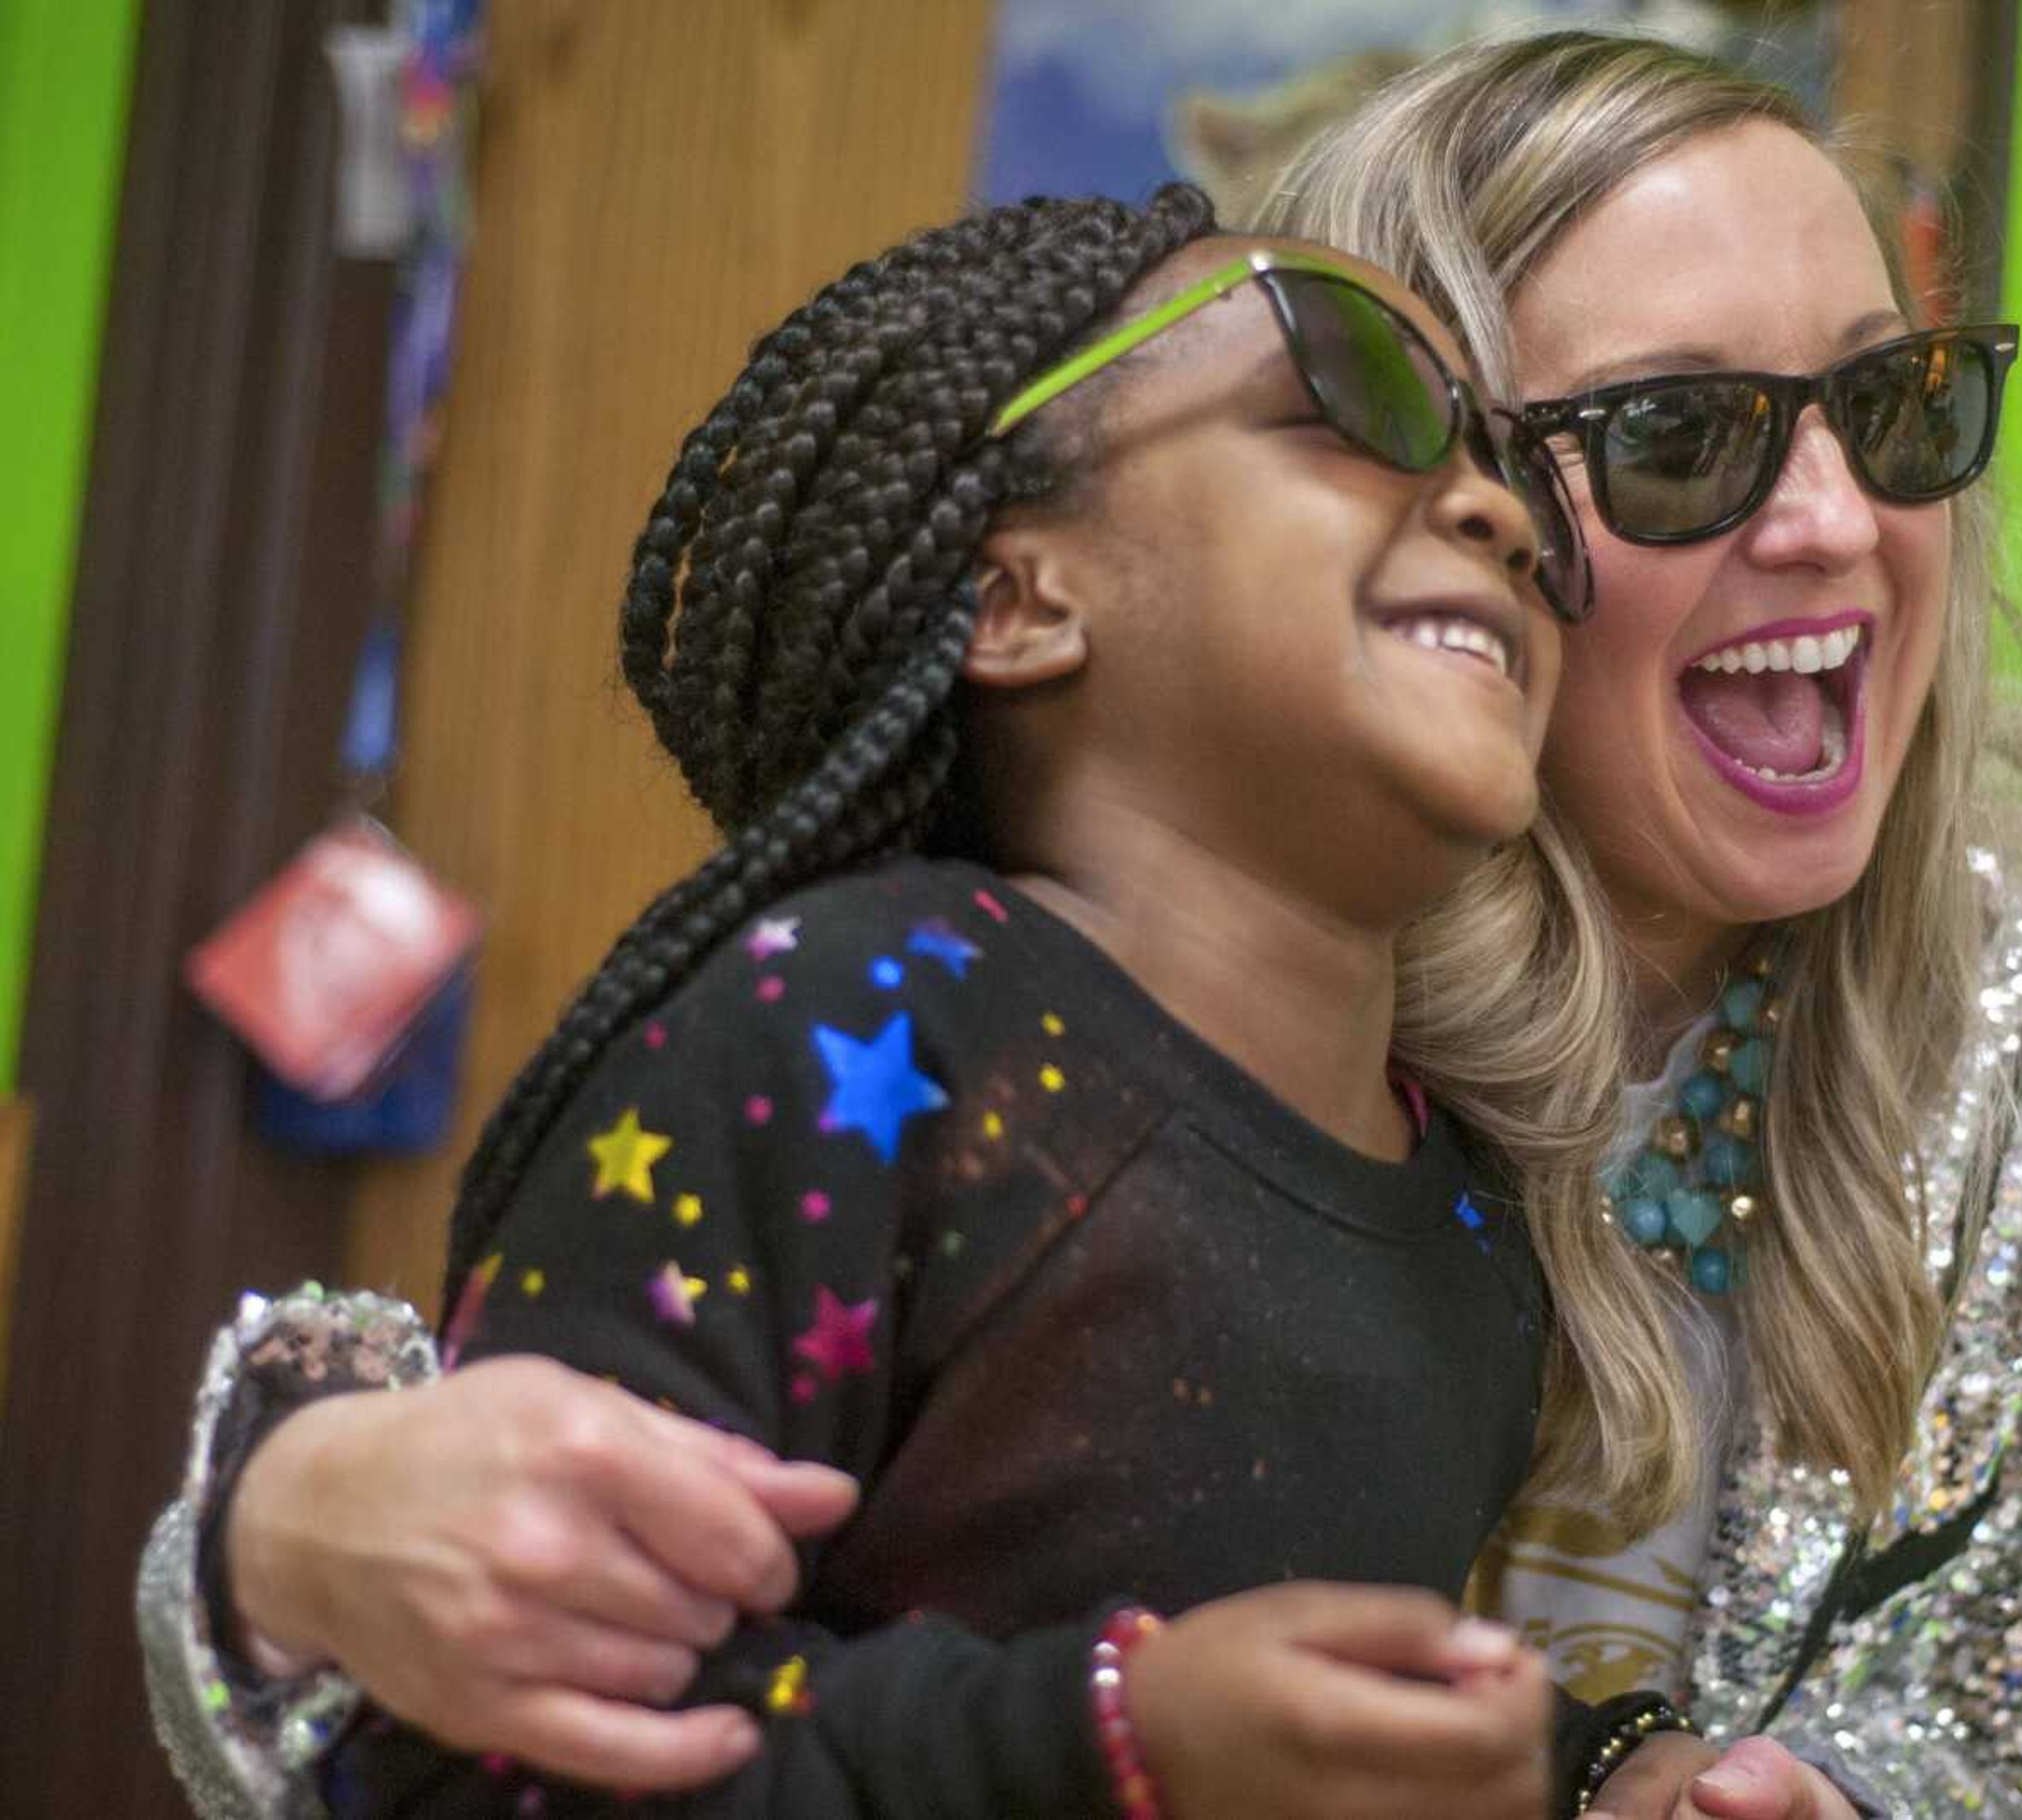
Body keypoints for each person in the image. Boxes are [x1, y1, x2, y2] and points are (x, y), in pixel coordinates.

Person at [141, 31, 2022, 1820]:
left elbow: (1950, 1714)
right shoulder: (1102, 987)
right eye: (1679, 439)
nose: (1831, 523)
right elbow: (503, 1615)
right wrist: (282, 1527)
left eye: (1891, 410)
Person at [159, 181, 1662, 1819]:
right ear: (1020, 599)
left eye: (1506, 473)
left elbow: (1323, 1714)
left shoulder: (1477, 1233)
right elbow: (496, 1756)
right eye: (1353, 400)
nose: (1498, 515)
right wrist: (1103, 1746)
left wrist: (1602, 1778)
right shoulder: (852, 1025)